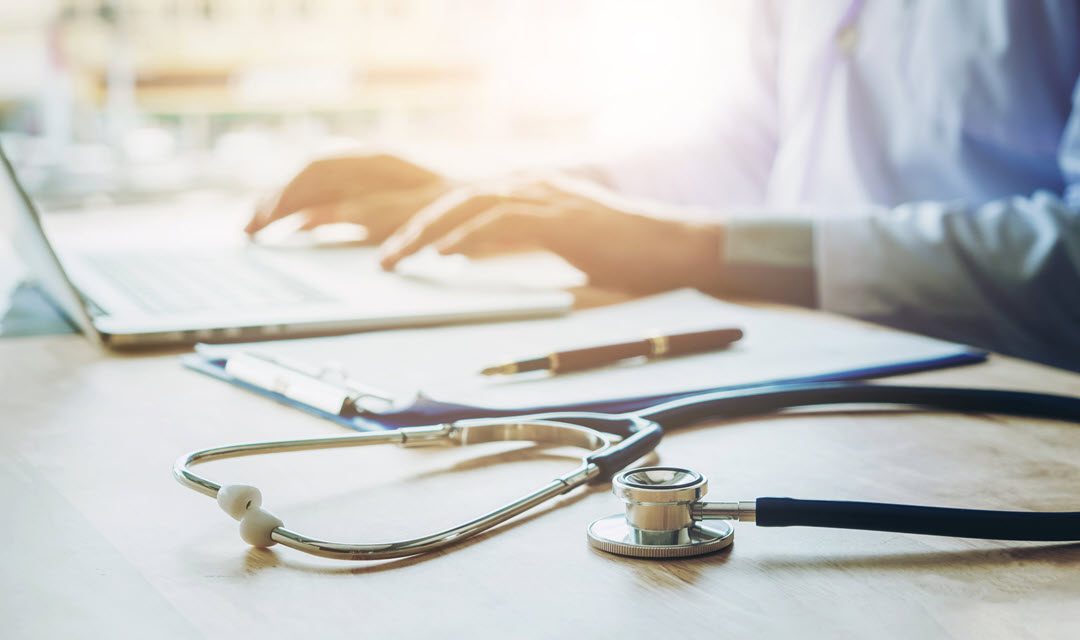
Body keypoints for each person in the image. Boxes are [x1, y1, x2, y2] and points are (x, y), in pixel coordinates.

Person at [245, 1, 1080, 372]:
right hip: (824, 365)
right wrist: (516, 199)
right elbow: (753, 150)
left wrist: (699, 250)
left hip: (1021, 408)